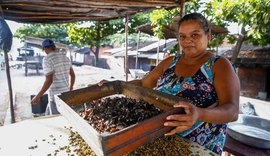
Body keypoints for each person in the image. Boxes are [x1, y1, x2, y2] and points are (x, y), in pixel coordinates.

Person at [99, 13, 240, 155]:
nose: (187, 41)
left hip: (196, 146)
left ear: (208, 35)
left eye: (195, 35)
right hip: (160, 139)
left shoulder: (219, 65)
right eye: (182, 36)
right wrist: (115, 86)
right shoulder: (170, 62)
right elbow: (143, 83)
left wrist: (199, 114)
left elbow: (232, 111)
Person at [31, 39, 75, 115]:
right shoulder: (65, 58)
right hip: (66, 94)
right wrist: (71, 87)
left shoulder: (47, 59)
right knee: (52, 114)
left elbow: (49, 80)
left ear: (45, 48)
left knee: (57, 119)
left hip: (56, 96)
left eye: (44, 49)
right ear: (54, 47)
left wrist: (38, 96)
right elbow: (73, 75)